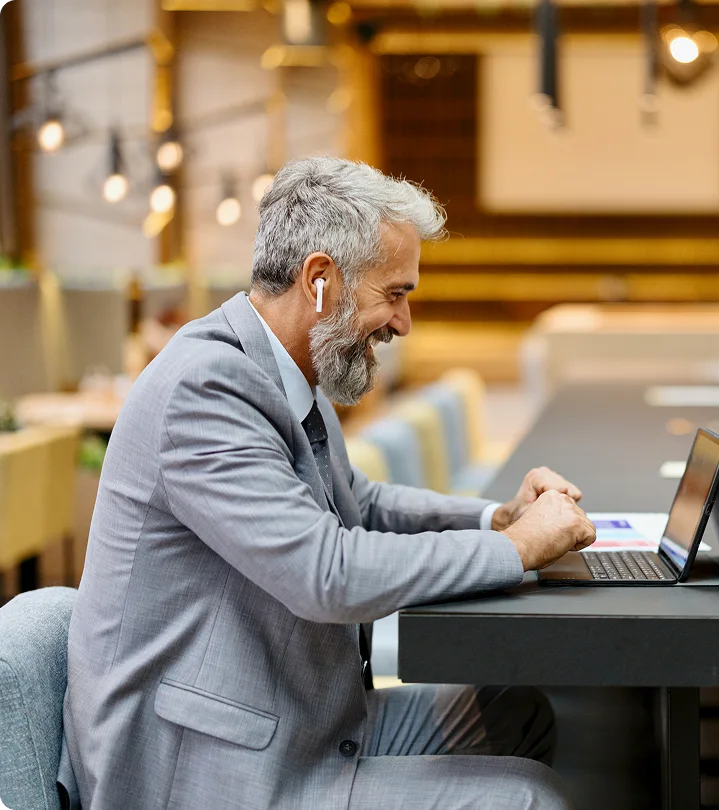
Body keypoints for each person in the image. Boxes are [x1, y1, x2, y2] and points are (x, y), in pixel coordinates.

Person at [59, 157, 596, 810]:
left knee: (514, 711)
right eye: (394, 293)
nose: (403, 323)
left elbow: (360, 507)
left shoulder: (287, 374)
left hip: (290, 716)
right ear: (319, 280)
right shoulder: (205, 389)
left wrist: (497, 521)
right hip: (201, 771)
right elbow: (325, 571)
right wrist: (519, 551)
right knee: (531, 800)